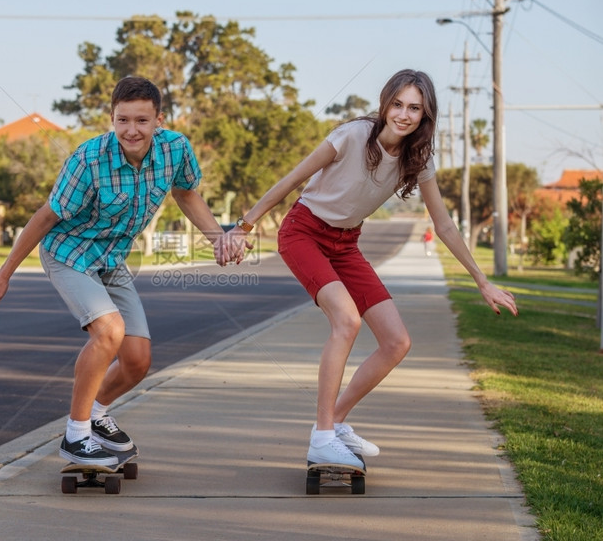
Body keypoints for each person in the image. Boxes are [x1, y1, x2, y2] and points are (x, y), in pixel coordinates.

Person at [221, 69, 517, 470]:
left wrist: (482, 281)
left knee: (397, 342)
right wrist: (243, 227)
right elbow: (293, 179)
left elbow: (443, 224)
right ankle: (323, 438)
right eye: (398, 104)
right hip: (304, 232)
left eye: (415, 108)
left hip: (346, 244)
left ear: (425, 114)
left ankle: (334, 421)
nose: (404, 114)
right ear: (385, 104)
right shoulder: (352, 135)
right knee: (347, 321)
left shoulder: (418, 158)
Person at [0, 76, 225, 467]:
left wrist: (217, 237)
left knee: (137, 361)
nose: (131, 130)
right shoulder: (88, 159)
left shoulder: (176, 150)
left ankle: (98, 415)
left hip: (112, 258)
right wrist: (5, 273)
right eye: (122, 120)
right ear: (112, 118)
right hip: (68, 253)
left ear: (159, 120)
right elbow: (46, 216)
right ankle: (76, 434)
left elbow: (186, 193)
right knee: (109, 331)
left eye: (141, 120)